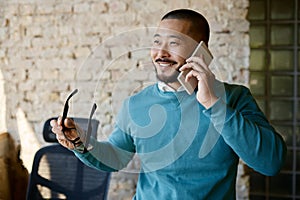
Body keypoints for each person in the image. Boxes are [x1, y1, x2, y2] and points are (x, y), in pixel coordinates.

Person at [50, 9, 287, 199]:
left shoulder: (235, 98)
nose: (160, 53)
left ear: (200, 51)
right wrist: (82, 143)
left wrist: (213, 103)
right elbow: (115, 157)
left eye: (174, 43)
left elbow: (270, 163)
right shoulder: (135, 104)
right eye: (156, 42)